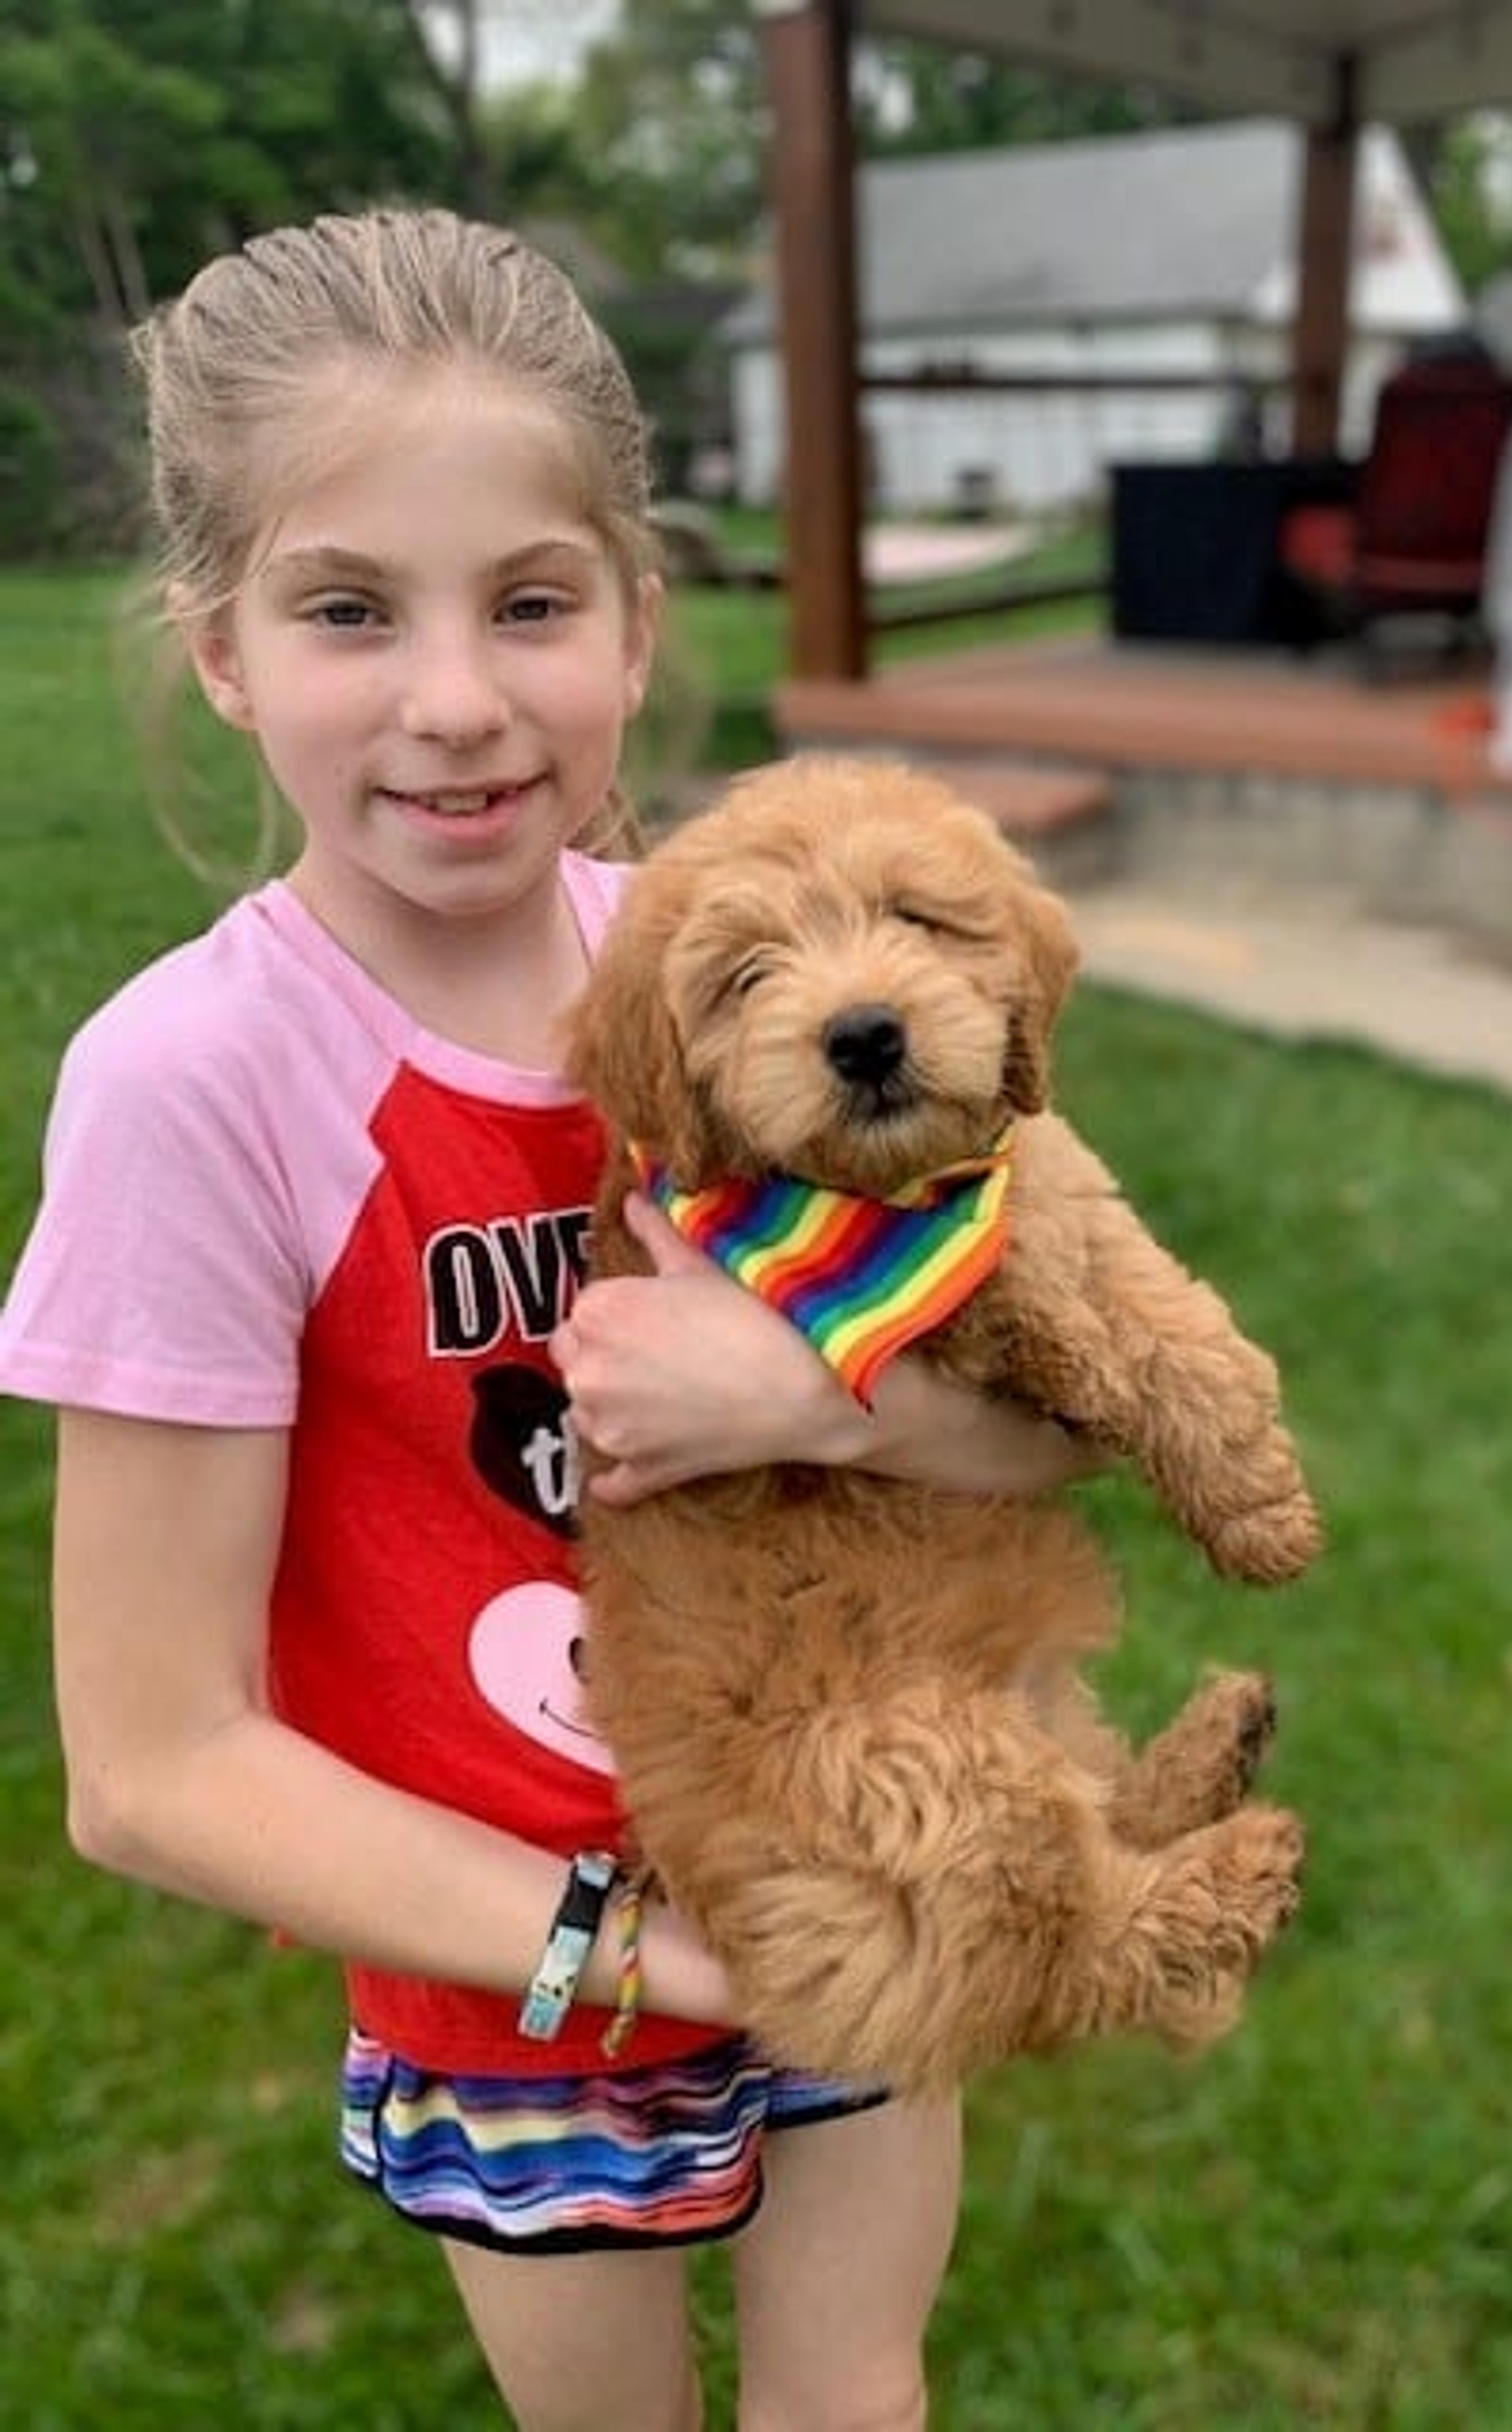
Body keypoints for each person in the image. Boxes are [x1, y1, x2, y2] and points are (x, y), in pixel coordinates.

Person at [0, 208, 1090, 2432]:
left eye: (527, 601)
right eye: (345, 611)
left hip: (858, 1864)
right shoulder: (201, 1083)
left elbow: (1058, 1415)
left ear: (634, 617)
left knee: (856, 2400)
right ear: (221, 649)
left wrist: (829, 1400)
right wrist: (637, 1950)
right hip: (529, 1986)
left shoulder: (747, 974)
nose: (459, 700)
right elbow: (149, 1757)